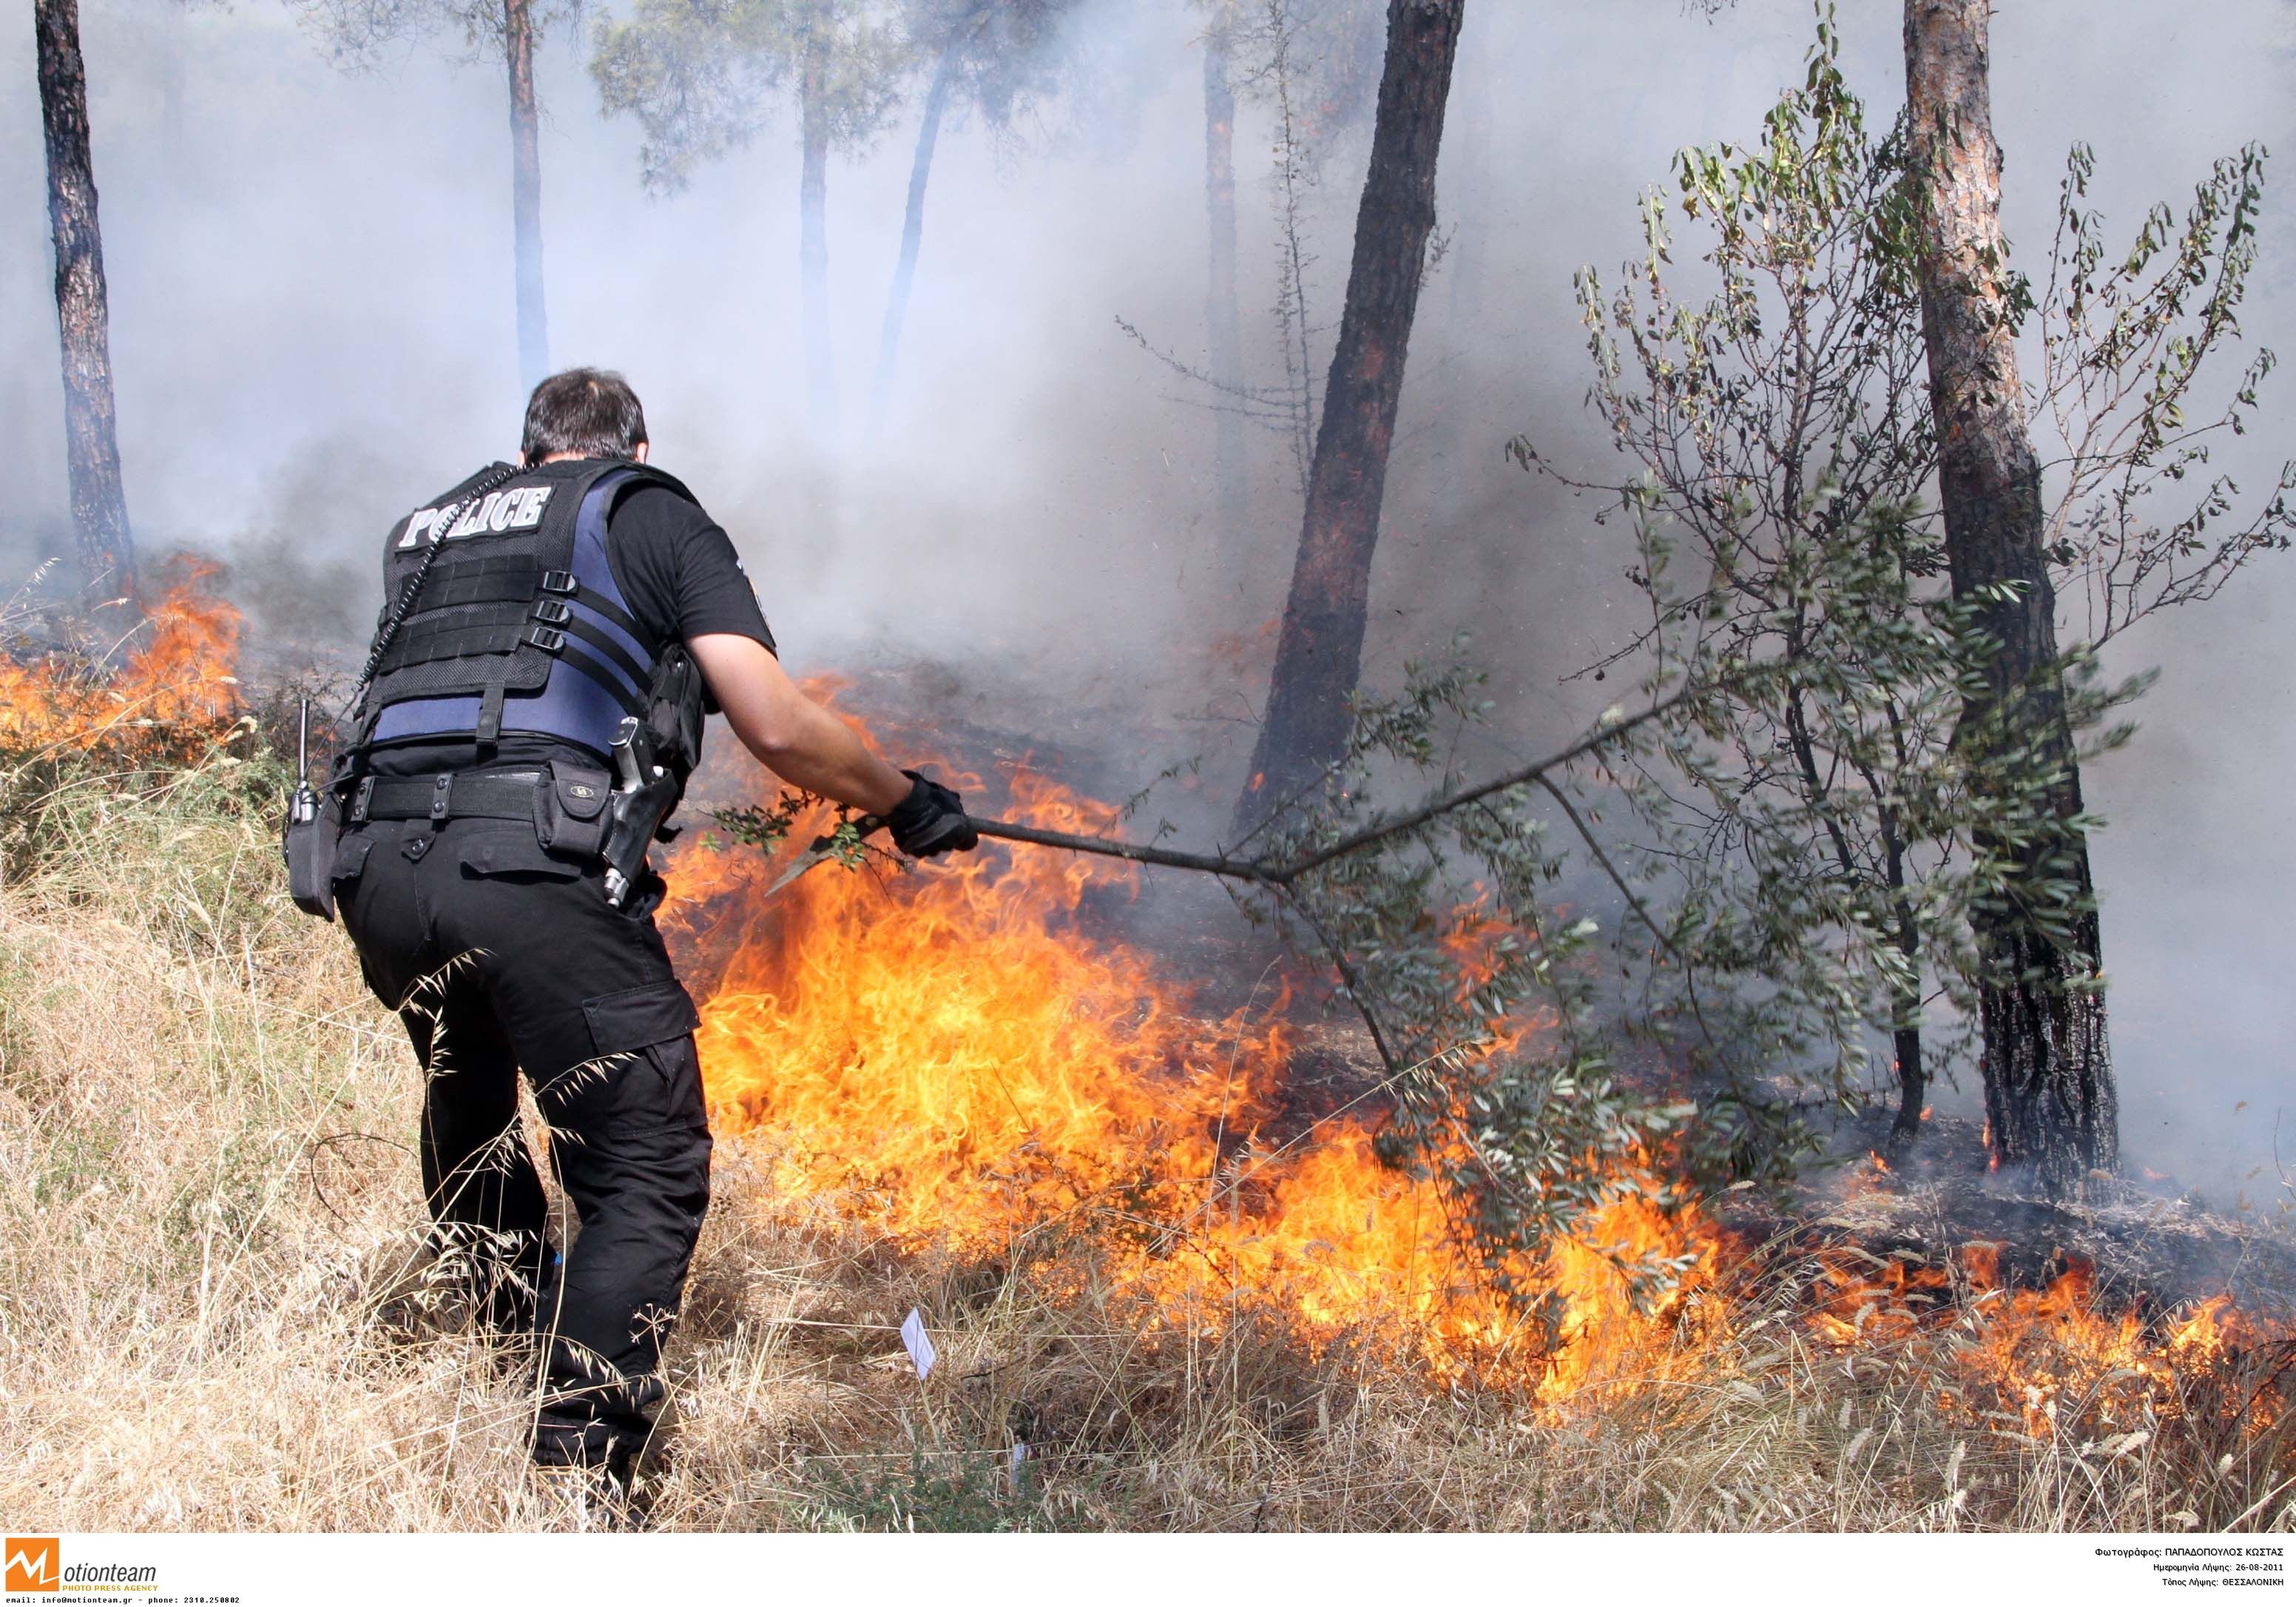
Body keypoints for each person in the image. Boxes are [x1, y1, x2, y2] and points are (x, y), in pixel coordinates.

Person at [325, 367, 976, 1500]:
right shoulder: (647, 511)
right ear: (627, 447)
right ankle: (579, 1478)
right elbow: (771, 717)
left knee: (468, 1104)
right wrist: (902, 799)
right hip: (529, 866)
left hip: (374, 873)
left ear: (529, 453)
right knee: (645, 1165)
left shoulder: (426, 531)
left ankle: (514, 1352)